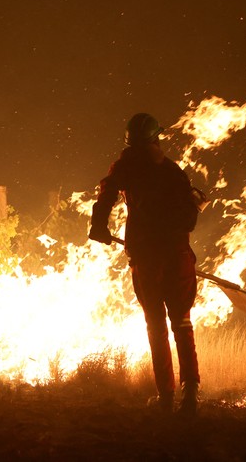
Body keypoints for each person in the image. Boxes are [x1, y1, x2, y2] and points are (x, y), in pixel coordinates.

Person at [88, 112, 202, 416]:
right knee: (182, 322)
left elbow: (107, 192)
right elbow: (190, 215)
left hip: (147, 257)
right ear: (156, 138)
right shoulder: (173, 171)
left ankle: (166, 395)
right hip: (178, 256)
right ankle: (190, 393)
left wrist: (99, 225)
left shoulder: (125, 167)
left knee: (155, 324)